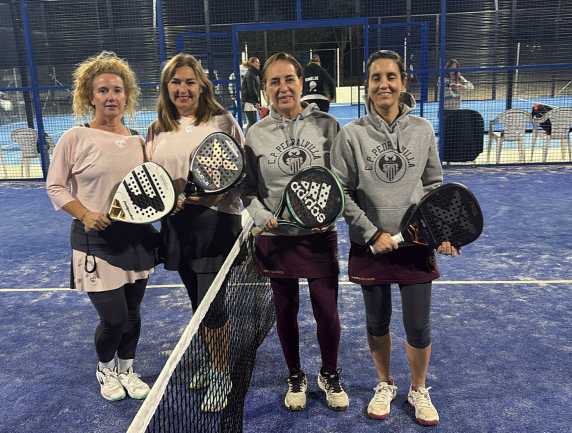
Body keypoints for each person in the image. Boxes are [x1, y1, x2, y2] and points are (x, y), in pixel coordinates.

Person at [330, 50, 462, 426]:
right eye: (376, 77)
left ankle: (418, 389)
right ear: (367, 84)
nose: (383, 84)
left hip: (415, 246)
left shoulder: (422, 129)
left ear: (403, 82)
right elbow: (341, 191)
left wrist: (441, 232)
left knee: (418, 326)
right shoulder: (351, 135)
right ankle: (385, 383)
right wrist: (372, 233)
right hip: (370, 246)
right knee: (377, 322)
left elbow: (434, 185)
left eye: (391, 77)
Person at [241, 52, 349, 412]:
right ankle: (295, 375)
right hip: (276, 239)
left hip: (319, 237)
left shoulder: (328, 126)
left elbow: (342, 182)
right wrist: (262, 216)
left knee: (327, 311)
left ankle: (329, 373)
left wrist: (330, 212)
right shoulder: (255, 134)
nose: (283, 87)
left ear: (301, 84)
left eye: (289, 79)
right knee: (285, 312)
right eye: (274, 81)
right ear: (265, 88)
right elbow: (248, 189)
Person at [46, 51, 154, 402]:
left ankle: (127, 369)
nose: (111, 97)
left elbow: (151, 187)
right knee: (115, 318)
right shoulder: (75, 137)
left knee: (133, 315)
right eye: (103, 90)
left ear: (127, 95)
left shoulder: (140, 141)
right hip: (95, 241)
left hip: (137, 239)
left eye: (117, 90)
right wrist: (84, 213)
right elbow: (55, 186)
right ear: (89, 97)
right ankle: (106, 369)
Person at [146, 53, 244, 413]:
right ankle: (211, 358)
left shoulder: (222, 121)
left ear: (202, 85)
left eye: (190, 81)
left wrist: (216, 194)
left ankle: (221, 372)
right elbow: (152, 177)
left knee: (211, 303)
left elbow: (241, 170)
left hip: (215, 223)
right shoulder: (157, 128)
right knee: (196, 302)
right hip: (176, 225)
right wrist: (163, 203)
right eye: (176, 82)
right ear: (166, 87)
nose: (183, 88)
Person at [241, 57, 262, 131]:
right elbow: (251, 89)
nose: (259, 64)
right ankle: (246, 137)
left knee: (253, 122)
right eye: (257, 62)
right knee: (252, 122)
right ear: (252, 64)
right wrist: (256, 101)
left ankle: (247, 136)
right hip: (249, 101)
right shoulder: (250, 74)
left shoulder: (254, 74)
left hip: (251, 101)